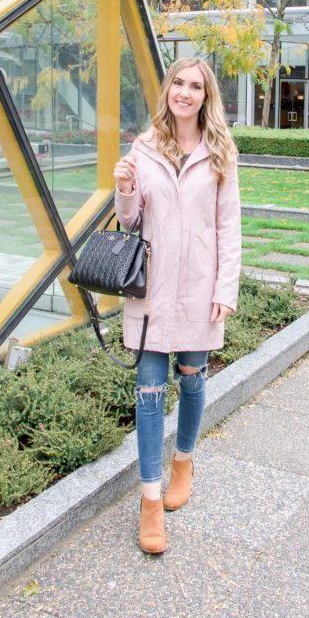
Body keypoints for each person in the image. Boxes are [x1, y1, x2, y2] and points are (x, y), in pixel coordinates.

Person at [113, 57, 241, 555]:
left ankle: (183, 460)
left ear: (206, 97)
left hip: (199, 286)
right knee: (149, 390)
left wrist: (224, 290)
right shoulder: (143, 149)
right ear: (168, 90)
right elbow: (129, 222)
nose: (184, 93)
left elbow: (229, 227)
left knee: (191, 377)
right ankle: (149, 500)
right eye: (178, 84)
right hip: (152, 289)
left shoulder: (220, 153)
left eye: (195, 86)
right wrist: (125, 189)